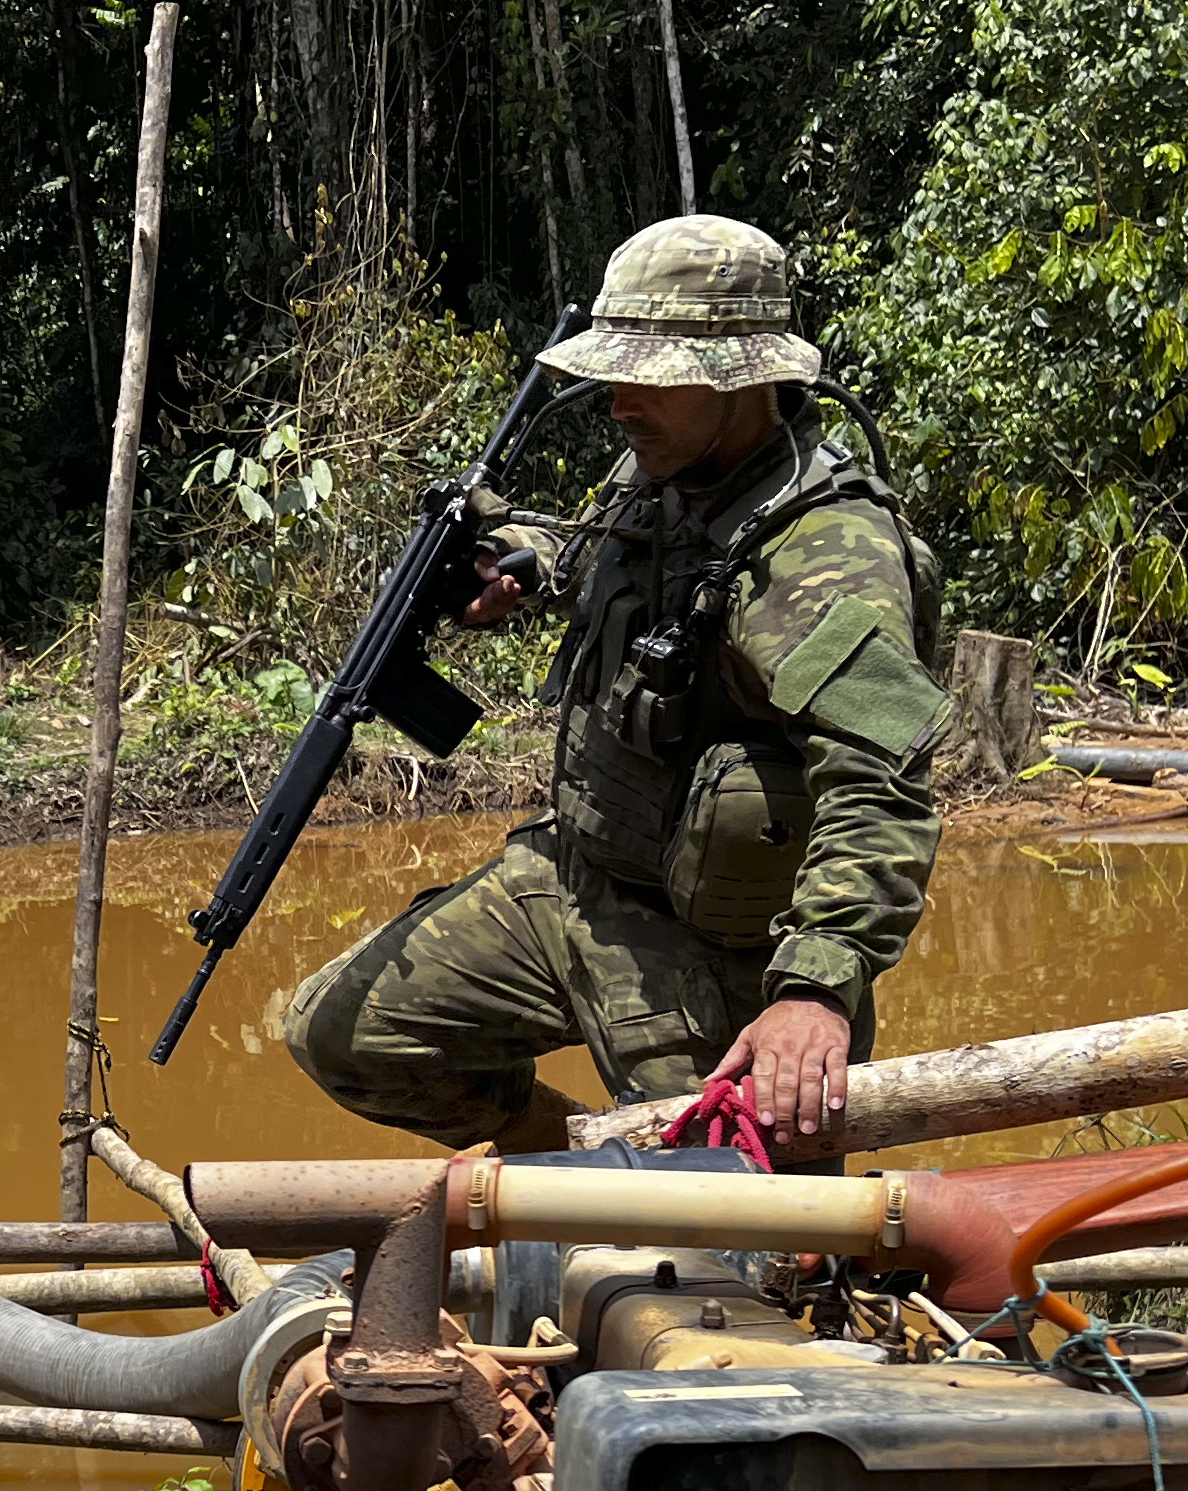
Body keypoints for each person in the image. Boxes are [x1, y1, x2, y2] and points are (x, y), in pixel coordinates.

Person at [286, 213, 947, 1163]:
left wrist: (815, 989)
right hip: (575, 886)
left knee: (735, 1257)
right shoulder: (666, 465)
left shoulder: (825, 554)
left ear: (744, 378)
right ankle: (585, 1156)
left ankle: (639, 1170)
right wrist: (526, 563)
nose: (618, 401)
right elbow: (612, 555)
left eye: (651, 375)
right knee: (347, 1034)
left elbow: (883, 781)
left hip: (715, 960)